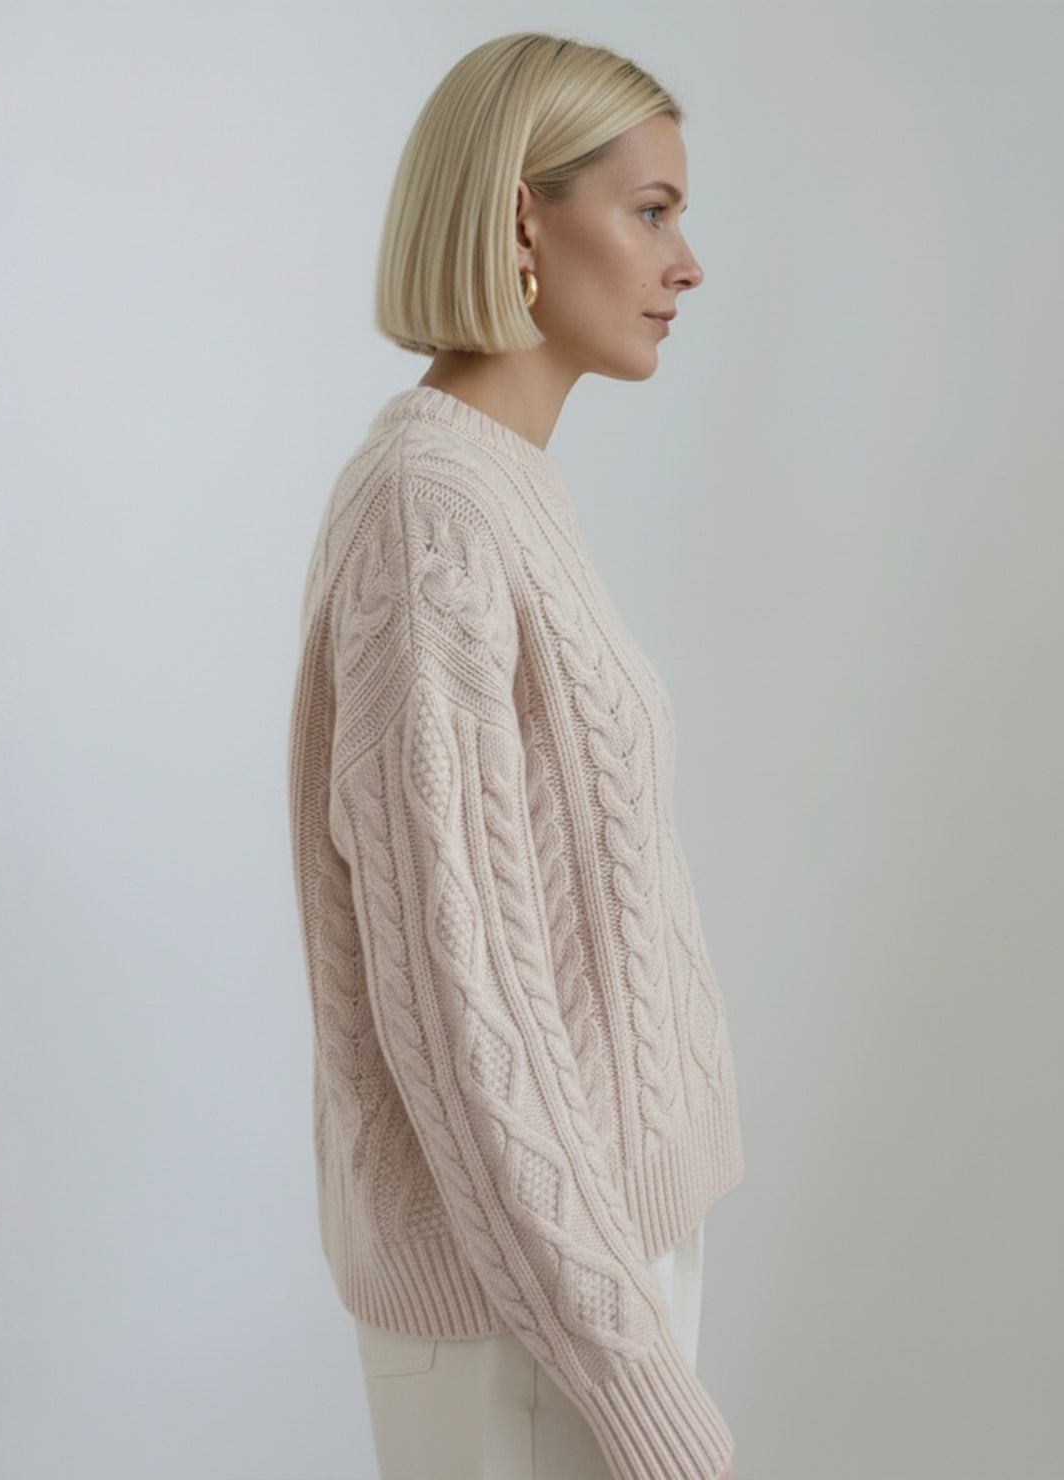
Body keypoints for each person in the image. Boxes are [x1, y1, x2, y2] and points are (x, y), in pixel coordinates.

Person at [286, 29, 745, 1480]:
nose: (686, 265)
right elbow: (458, 1010)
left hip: (586, 1270)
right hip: (528, 1319)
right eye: (650, 211)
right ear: (520, 222)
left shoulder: (501, 490)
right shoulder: (429, 512)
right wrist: (639, 1385)